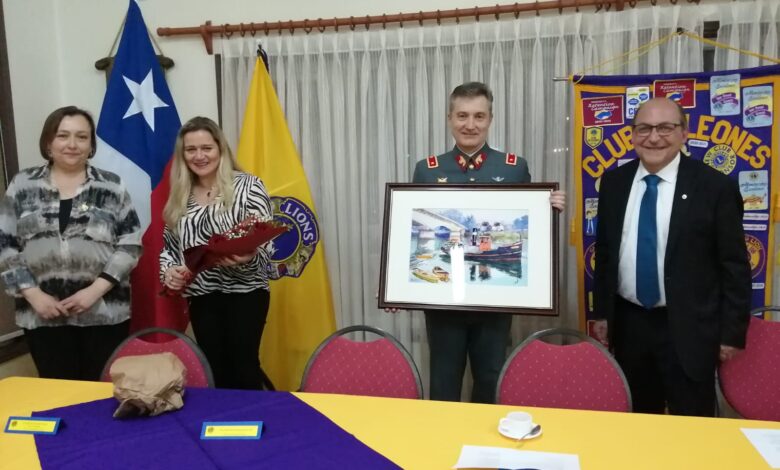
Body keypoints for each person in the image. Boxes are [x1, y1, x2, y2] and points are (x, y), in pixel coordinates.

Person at [592, 97, 751, 416]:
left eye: (665, 128)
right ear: (633, 134)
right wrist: (603, 314)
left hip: (690, 328)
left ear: (684, 133)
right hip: (630, 325)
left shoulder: (715, 187)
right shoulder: (614, 183)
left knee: (691, 423)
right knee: (637, 420)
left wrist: (731, 334)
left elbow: (734, 267)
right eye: (644, 128)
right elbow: (606, 253)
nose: (654, 137)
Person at [412, 82, 565, 403]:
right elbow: (415, 232)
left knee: (491, 378)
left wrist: (548, 208)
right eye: (462, 116)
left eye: (479, 116)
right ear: (449, 118)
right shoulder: (427, 170)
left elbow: (527, 228)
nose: (470, 124)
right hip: (444, 299)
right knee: (443, 380)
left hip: (495, 298)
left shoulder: (514, 167)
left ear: (490, 119)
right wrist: (397, 280)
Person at [0, 106, 142, 380]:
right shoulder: (22, 185)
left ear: (91, 145)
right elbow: (5, 243)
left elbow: (130, 244)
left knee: (100, 393)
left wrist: (94, 291)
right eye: (63, 135)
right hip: (42, 315)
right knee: (58, 393)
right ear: (48, 142)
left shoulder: (111, 186)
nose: (72, 144)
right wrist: (33, 294)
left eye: (82, 136)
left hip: (104, 313)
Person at [160, 116, 273, 390]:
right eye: (191, 149)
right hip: (203, 297)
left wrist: (248, 256)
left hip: (246, 292)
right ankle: (222, 418)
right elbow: (170, 249)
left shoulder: (248, 186)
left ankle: (252, 417)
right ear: (183, 154)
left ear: (220, 149)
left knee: (244, 367)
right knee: (214, 369)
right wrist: (169, 272)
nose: (199, 156)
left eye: (206, 148)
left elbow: (266, 247)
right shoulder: (181, 194)